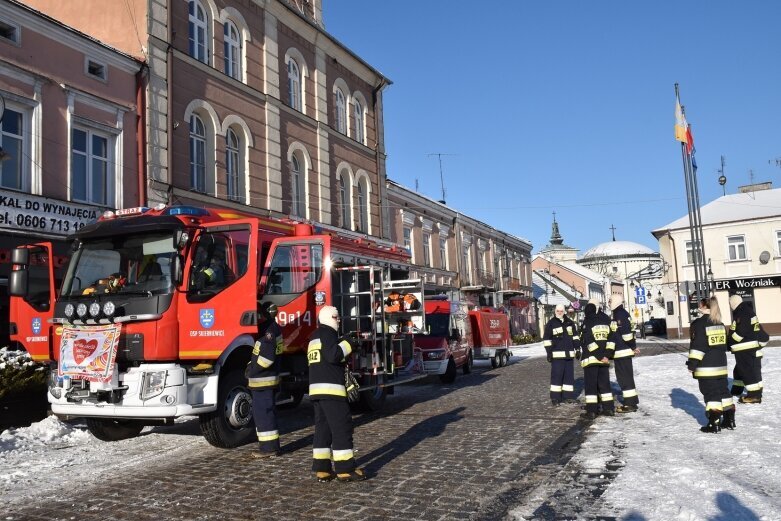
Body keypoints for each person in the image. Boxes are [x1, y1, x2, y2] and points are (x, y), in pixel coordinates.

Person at [308, 306, 365, 482]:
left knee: (322, 429)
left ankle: (322, 468)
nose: (339, 321)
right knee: (342, 427)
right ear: (330, 318)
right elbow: (333, 355)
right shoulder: (328, 334)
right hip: (331, 390)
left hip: (317, 390)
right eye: (337, 318)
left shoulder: (313, 336)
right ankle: (345, 469)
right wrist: (349, 343)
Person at [687, 297, 735, 433]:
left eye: (699, 304)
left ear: (702, 306)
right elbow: (724, 345)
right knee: (723, 392)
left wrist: (692, 365)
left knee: (711, 394)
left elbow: (698, 347)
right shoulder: (719, 323)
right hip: (721, 365)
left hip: (706, 367)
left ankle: (714, 424)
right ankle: (729, 420)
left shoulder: (699, 324)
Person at [247, 302, 284, 457]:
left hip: (263, 380)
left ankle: (269, 449)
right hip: (265, 380)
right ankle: (270, 447)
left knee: (264, 414)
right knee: (265, 414)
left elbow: (266, 359)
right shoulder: (271, 328)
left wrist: (250, 370)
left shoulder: (269, 332)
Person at [727, 295, 768, 404]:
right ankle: (738, 389)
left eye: (730, 303)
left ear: (733, 303)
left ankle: (754, 395)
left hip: (744, 347)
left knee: (747, 371)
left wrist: (731, 341)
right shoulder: (747, 310)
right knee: (740, 370)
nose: (730, 306)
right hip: (748, 347)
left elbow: (741, 332)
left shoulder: (742, 312)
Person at [579, 302, 616, 419]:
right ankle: (609, 408)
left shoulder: (588, 322)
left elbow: (589, 341)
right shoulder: (606, 321)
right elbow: (611, 339)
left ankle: (592, 411)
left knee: (591, 386)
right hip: (604, 360)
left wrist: (599, 356)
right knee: (605, 385)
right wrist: (607, 355)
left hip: (592, 360)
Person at [543, 304, 580, 406]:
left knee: (569, 377)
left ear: (564, 311)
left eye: (561, 311)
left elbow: (575, 337)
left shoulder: (570, 323)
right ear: (555, 311)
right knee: (557, 377)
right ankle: (555, 398)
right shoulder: (551, 323)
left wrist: (577, 348)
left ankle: (568, 397)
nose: (560, 313)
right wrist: (549, 353)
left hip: (569, 356)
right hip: (557, 356)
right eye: (558, 311)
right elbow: (547, 340)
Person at [610, 295, 640, 413]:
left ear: (616, 302)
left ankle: (630, 404)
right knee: (624, 378)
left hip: (622, 351)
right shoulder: (619, 313)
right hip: (621, 352)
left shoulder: (620, 314)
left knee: (624, 378)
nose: (608, 303)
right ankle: (631, 402)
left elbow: (626, 334)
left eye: (610, 301)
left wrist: (633, 346)